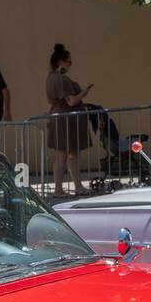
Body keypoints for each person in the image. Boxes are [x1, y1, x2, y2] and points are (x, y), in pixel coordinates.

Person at [44, 43, 95, 195]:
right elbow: (71, 101)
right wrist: (84, 93)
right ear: (61, 62)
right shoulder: (61, 79)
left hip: (61, 119)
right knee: (64, 156)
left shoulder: (50, 77)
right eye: (69, 62)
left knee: (67, 155)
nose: (70, 65)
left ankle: (71, 186)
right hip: (66, 121)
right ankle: (62, 189)